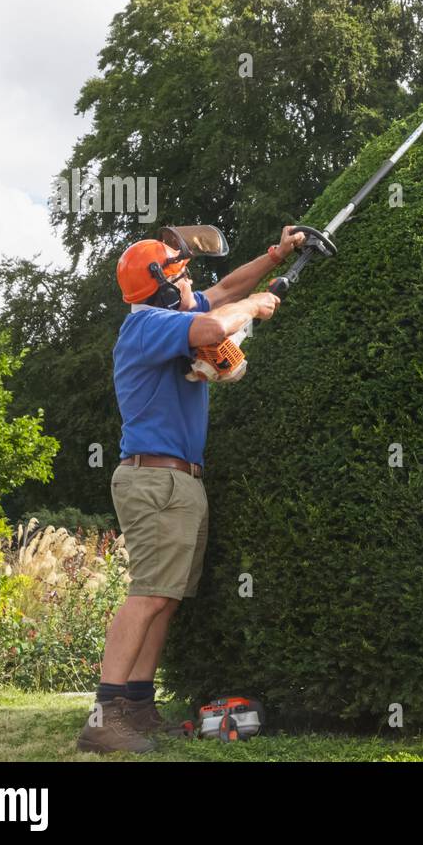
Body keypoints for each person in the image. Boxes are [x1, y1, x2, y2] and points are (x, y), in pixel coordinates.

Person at [76, 225, 303, 753]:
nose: (191, 283)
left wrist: (275, 255)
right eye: (180, 276)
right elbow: (213, 323)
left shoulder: (170, 314)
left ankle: (135, 704)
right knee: (149, 594)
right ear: (159, 287)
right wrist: (256, 306)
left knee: (166, 598)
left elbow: (220, 295)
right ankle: (102, 717)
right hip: (155, 478)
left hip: (179, 479)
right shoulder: (148, 326)